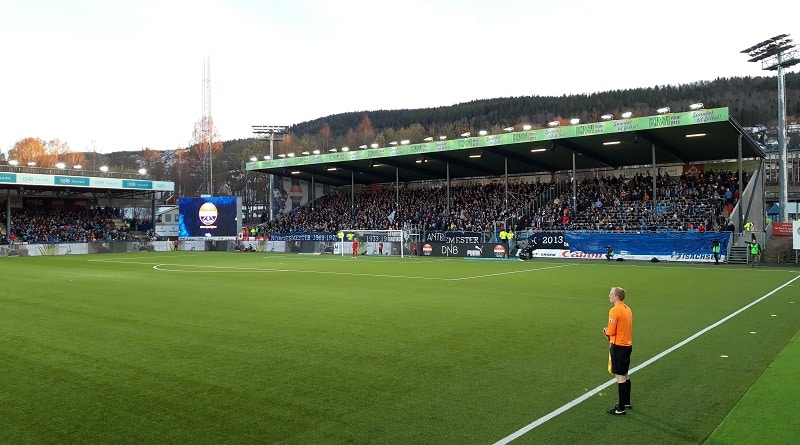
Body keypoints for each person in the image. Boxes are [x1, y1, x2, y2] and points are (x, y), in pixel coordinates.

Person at [603, 286, 633, 415]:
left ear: (617, 296)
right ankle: (626, 402)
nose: (609, 295)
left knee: (620, 377)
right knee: (625, 374)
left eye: (611, 294)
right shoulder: (627, 309)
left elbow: (610, 331)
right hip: (627, 345)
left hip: (618, 346)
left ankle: (621, 408)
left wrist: (604, 331)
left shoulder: (614, 311)